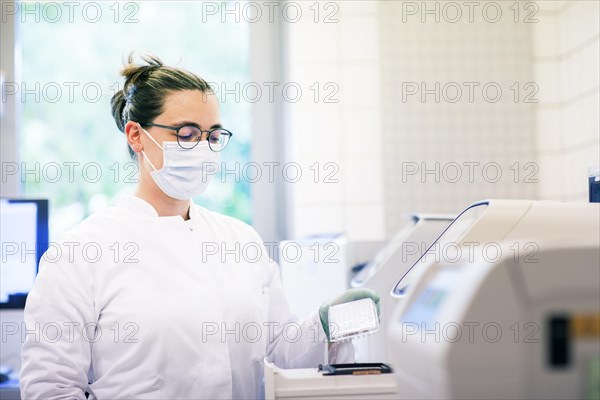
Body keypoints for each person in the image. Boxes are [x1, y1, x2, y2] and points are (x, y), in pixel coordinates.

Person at [20, 53, 380, 399]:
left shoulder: (240, 241)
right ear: (136, 135)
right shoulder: (82, 251)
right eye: (187, 133)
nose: (204, 148)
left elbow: (283, 353)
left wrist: (325, 326)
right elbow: (50, 387)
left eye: (212, 136)